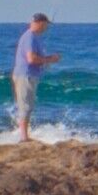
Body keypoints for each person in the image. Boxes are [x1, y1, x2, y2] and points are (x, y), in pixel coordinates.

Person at [10, 13, 60, 142]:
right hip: (25, 75)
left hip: (29, 75)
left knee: (28, 105)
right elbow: (31, 59)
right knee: (25, 106)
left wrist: (46, 59)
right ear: (41, 23)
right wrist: (50, 59)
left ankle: (25, 135)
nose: (46, 28)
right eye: (46, 25)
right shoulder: (30, 37)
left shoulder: (33, 37)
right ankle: (24, 137)